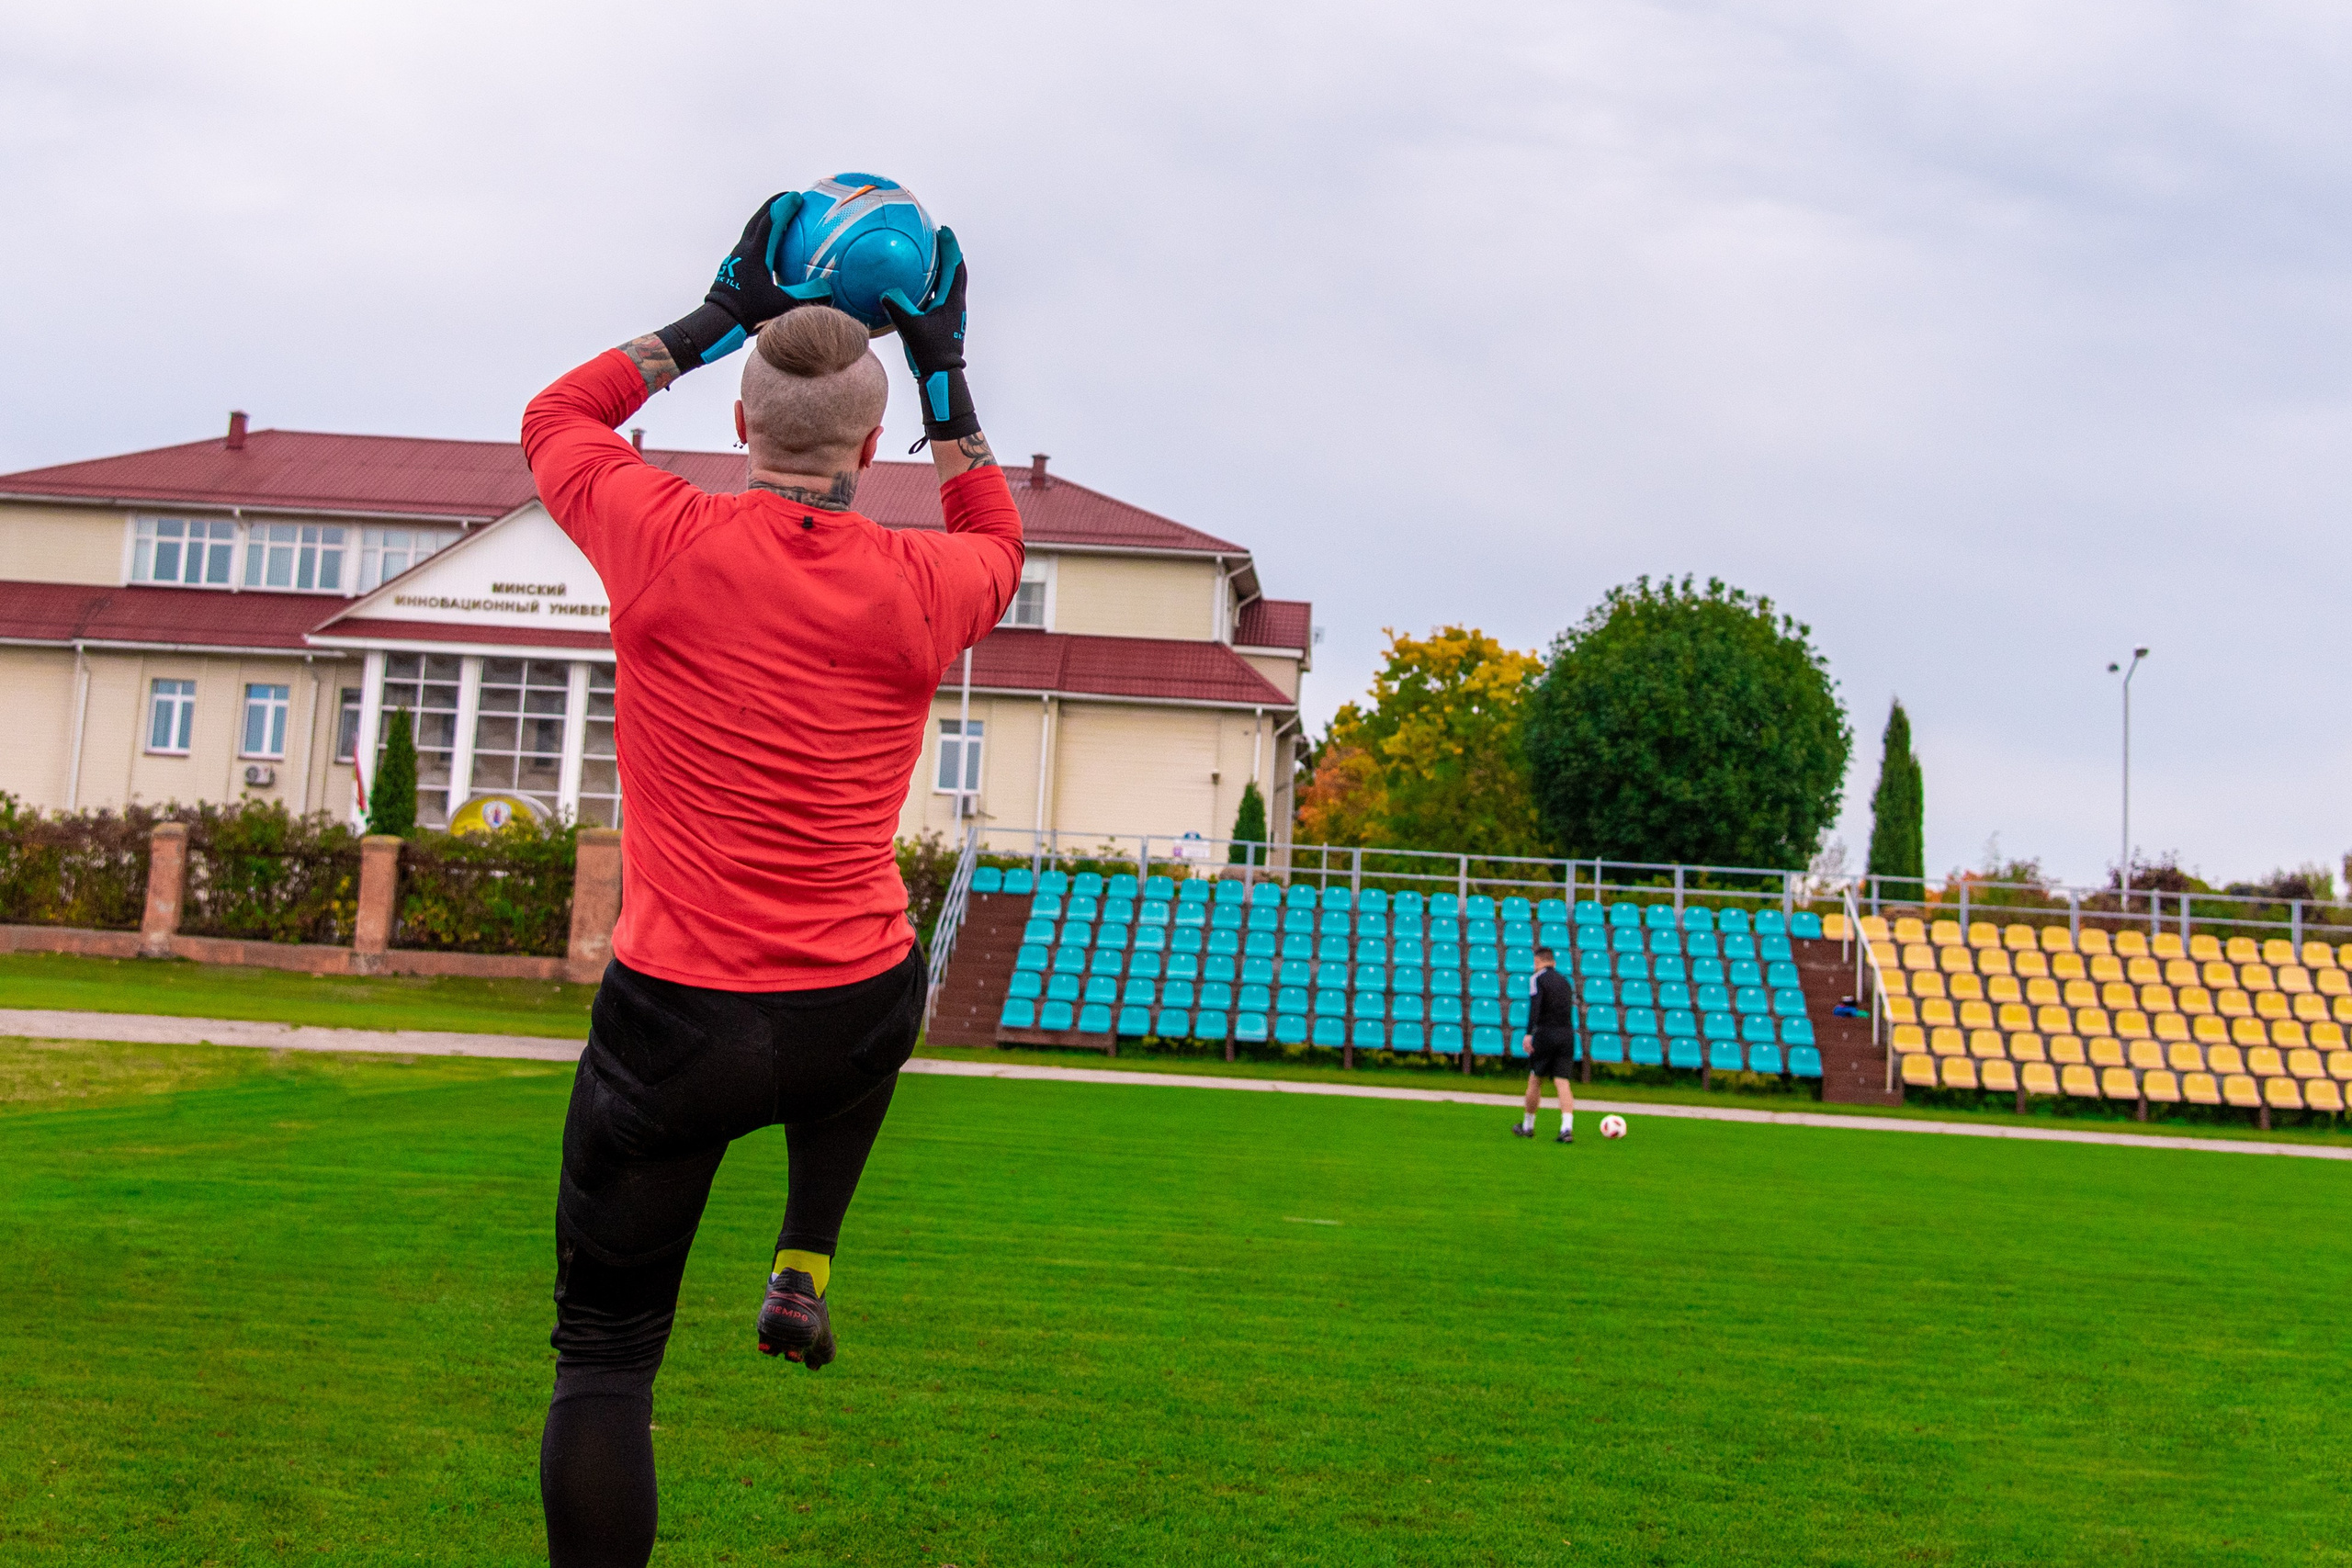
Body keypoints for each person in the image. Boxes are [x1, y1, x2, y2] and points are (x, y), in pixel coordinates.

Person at [518, 192, 1022, 1568]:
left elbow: (559, 417)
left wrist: (717, 315)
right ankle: (804, 1259)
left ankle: (791, 1272)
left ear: (743, 425)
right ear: (866, 447)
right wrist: (944, 365)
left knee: (604, 1357)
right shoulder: (930, 582)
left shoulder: (661, 533)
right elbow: (996, 530)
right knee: (887, 985)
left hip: (676, 1025)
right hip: (848, 1013)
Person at [1511, 945, 1578, 1143]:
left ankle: (1528, 1126)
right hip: (1566, 1034)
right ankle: (1566, 1128)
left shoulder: (1537, 978)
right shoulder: (1565, 981)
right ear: (1554, 962)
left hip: (1546, 1033)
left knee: (1535, 1079)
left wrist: (1528, 1034)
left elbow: (1536, 1006)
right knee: (1562, 1081)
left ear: (1537, 961)